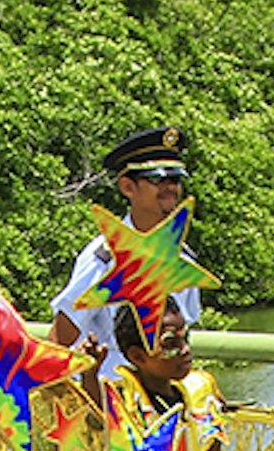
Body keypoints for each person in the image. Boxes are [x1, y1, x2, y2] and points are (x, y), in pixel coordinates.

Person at [49, 124, 199, 400]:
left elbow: (181, 338)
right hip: (112, 406)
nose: (171, 188)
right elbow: (59, 343)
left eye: (176, 180)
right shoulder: (103, 259)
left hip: (165, 405)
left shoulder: (184, 258)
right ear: (128, 187)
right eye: (159, 179)